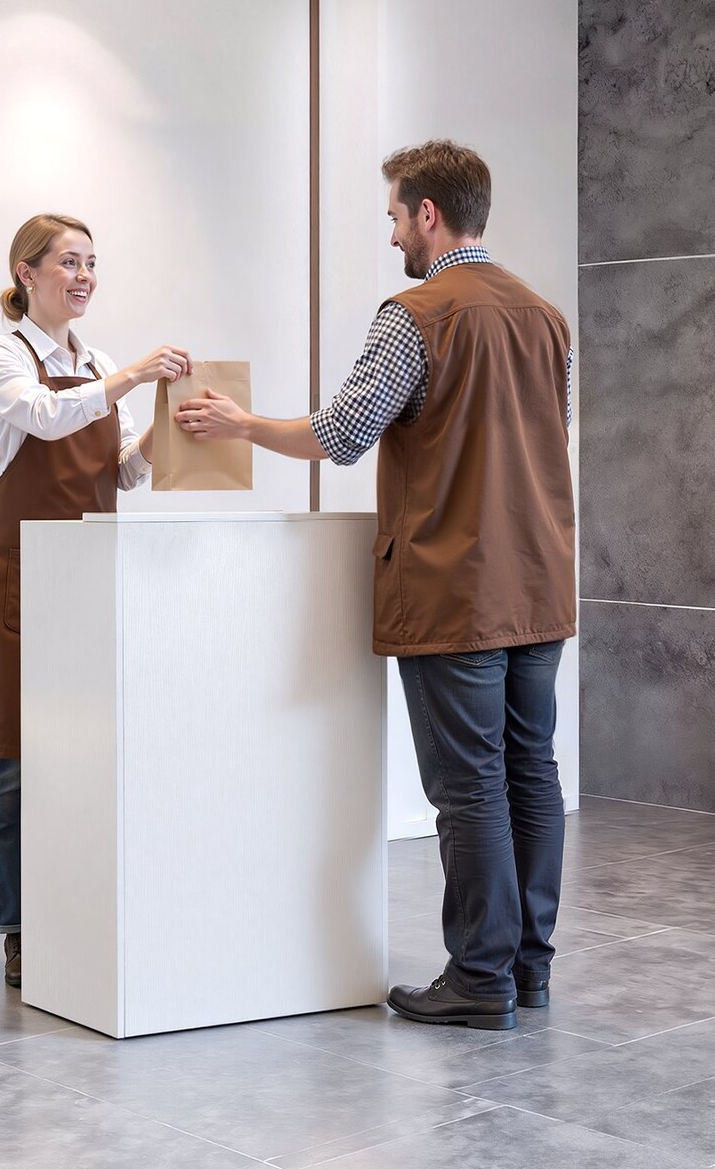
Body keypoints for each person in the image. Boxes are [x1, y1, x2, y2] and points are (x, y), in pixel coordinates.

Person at [176, 140, 575, 1031]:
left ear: (428, 214)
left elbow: (346, 432)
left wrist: (241, 424)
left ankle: (478, 978)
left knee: (469, 787)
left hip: (455, 589)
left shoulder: (415, 314)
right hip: (540, 584)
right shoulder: (547, 317)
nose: (392, 231)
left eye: (395, 214)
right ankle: (526, 968)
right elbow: (553, 432)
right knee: (529, 774)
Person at [0, 213, 189, 988]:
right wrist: (130, 380)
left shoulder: (100, 360)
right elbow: (48, 418)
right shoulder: (1, 355)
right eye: (67, 262)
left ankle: (75, 909)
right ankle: (19, 928)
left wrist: (166, 424)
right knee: (12, 755)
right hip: (17, 576)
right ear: (26, 273)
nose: (83, 276)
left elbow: (121, 472)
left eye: (92, 263)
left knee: (84, 749)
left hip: (88, 577)